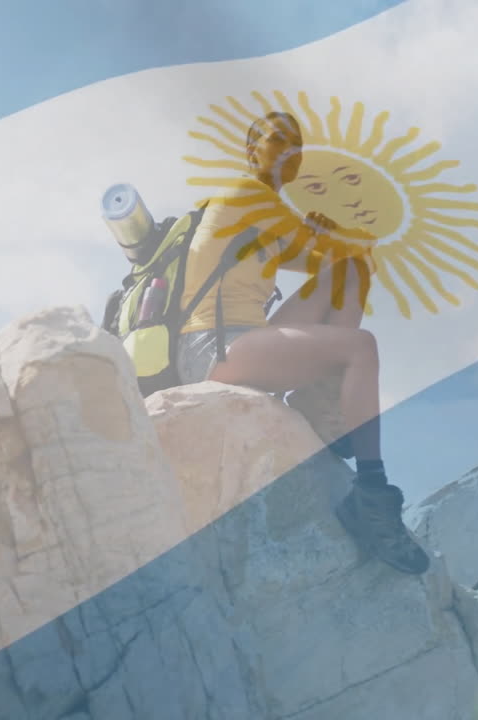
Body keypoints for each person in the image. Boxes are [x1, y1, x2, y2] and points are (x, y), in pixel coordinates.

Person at [175, 111, 430, 575]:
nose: (290, 150)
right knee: (360, 348)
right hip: (211, 348)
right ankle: (372, 495)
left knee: (349, 275)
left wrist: (330, 239)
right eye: (278, 139)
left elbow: (342, 261)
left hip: (243, 340)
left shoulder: (269, 222)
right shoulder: (248, 194)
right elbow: (346, 243)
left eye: (297, 145)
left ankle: (320, 408)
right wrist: (330, 235)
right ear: (251, 151)